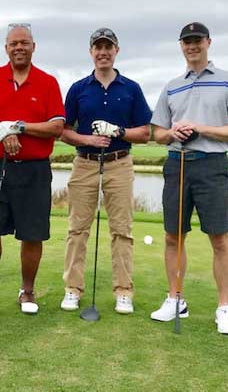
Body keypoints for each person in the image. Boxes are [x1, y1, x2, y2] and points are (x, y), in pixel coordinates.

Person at [150, 22, 228, 334]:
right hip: (177, 164)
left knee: (219, 238)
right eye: (187, 41)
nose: (192, 46)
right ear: (181, 46)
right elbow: (158, 133)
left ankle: (224, 308)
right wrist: (173, 132)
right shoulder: (171, 86)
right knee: (173, 236)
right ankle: (175, 299)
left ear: (208, 42)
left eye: (197, 40)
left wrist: (200, 128)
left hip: (212, 165)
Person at [0, 23, 65, 320]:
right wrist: (0, 130)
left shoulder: (47, 82)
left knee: (32, 234)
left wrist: (18, 127)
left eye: (24, 42)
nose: (19, 47)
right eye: (13, 43)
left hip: (34, 170)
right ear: (6, 48)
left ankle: (27, 291)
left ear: (34, 47)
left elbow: (56, 127)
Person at [60, 28, 152, 314]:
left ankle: (123, 291)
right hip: (85, 163)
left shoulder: (131, 88)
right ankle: (72, 289)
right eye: (98, 47)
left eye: (108, 47)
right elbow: (63, 131)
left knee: (122, 230)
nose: (103, 52)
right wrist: (88, 139)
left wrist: (118, 131)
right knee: (77, 229)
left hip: (119, 163)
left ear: (116, 51)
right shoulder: (78, 89)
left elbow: (145, 132)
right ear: (91, 52)